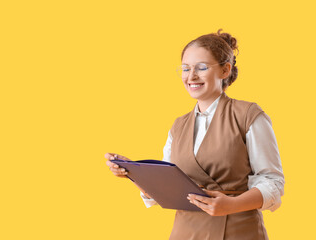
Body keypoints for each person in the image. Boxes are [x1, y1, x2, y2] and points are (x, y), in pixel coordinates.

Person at [105, 29, 285, 240]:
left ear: (225, 70)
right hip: (185, 232)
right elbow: (165, 187)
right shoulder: (178, 126)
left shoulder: (248, 115)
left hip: (238, 230)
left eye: (201, 68)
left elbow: (273, 182)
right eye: (185, 68)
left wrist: (232, 204)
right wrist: (133, 172)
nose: (191, 76)